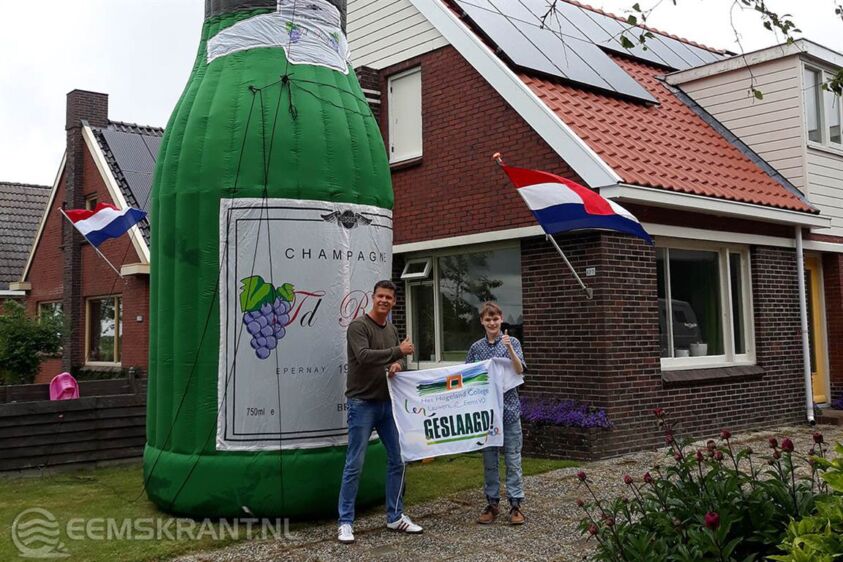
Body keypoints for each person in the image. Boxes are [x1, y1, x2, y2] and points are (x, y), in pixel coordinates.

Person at [337, 279, 423, 544]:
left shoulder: (392, 329)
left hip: (387, 404)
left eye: (389, 297)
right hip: (361, 403)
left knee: (398, 459)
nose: (384, 301)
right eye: (380, 296)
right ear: (372, 298)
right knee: (355, 463)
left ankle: (395, 516)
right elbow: (364, 356)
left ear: (394, 302)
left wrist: (397, 363)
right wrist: (399, 351)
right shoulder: (358, 326)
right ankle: (345, 522)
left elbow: (393, 359)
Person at [465, 301, 526, 525]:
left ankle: (516, 504)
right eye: (487, 319)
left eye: (495, 318)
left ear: (501, 319)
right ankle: (492, 503)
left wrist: (509, 348)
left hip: (509, 412)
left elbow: (520, 370)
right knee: (490, 460)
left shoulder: (513, 342)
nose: (492, 322)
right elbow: (468, 377)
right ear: (482, 321)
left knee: (512, 458)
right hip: (487, 415)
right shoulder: (476, 348)